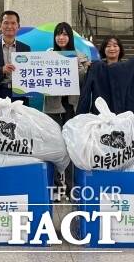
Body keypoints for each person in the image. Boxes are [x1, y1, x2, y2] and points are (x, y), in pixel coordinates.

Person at [43, 22, 89, 201]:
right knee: (52, 146)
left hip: (71, 106)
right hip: (52, 107)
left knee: (71, 146)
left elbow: (84, 81)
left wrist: (82, 66)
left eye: (65, 34)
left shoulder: (80, 56)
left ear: (70, 37)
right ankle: (55, 187)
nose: (61, 38)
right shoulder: (46, 56)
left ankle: (71, 187)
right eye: (58, 34)